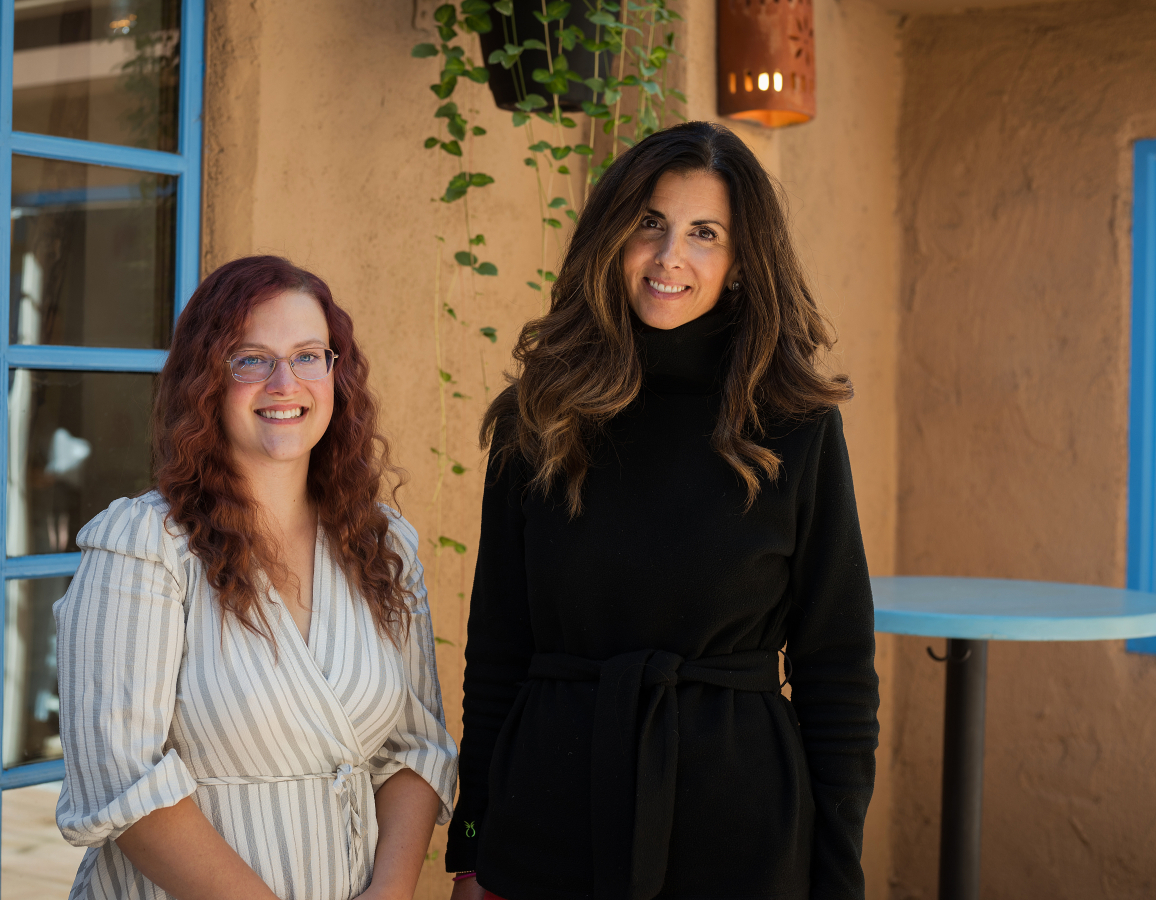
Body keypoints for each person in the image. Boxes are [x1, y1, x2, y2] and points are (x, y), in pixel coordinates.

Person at [445, 121, 880, 900]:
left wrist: (837, 877)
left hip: (741, 831)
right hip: (547, 820)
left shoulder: (795, 427)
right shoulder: (539, 416)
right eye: (650, 223)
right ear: (612, 235)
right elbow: (498, 648)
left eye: (705, 233)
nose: (670, 255)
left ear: (743, 260)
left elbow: (836, 669)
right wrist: (473, 844)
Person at [55, 255, 458, 900]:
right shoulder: (145, 546)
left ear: (336, 376)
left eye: (308, 356)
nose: (284, 381)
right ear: (206, 381)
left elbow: (416, 746)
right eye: (251, 359)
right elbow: (122, 783)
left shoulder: (382, 542)